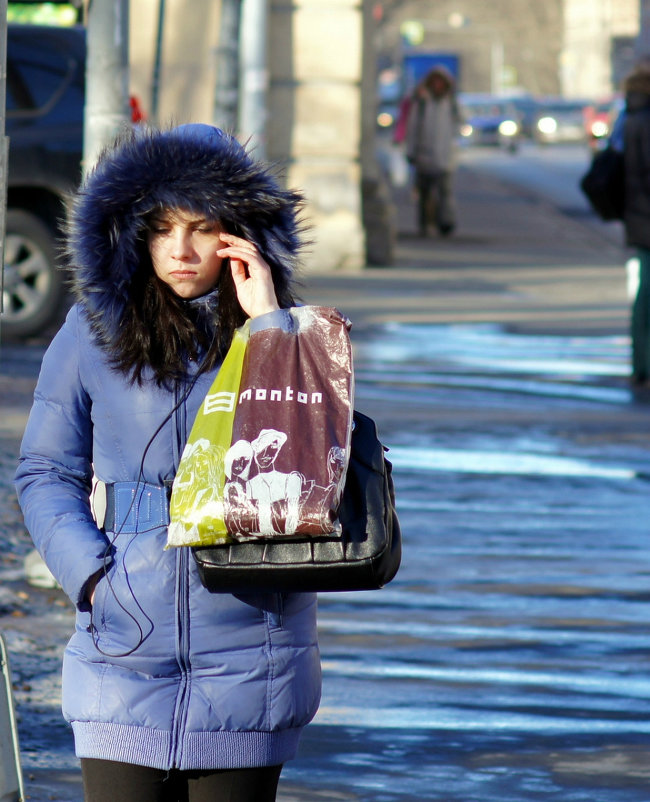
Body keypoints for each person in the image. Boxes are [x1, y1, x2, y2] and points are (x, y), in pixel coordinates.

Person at [14, 124, 322, 802]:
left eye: (202, 225)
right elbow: (44, 471)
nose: (181, 249)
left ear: (237, 232)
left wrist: (268, 324)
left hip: (252, 642)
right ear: (130, 233)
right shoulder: (90, 330)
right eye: (161, 227)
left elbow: (308, 471)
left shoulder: (288, 333)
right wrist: (91, 578)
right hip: (121, 645)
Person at [405, 65, 460, 237]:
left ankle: (445, 222)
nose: (437, 86)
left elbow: (460, 124)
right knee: (425, 194)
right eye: (434, 83)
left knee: (445, 193)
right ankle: (425, 224)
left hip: (445, 157)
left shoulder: (450, 103)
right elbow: (412, 128)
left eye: (440, 83)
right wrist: (411, 151)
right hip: (424, 156)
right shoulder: (421, 103)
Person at [621, 61, 650, 386]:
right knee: (647, 295)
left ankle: (640, 363)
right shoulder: (646, 120)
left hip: (637, 215)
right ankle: (644, 364)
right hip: (646, 214)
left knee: (643, 292)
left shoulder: (630, 117)